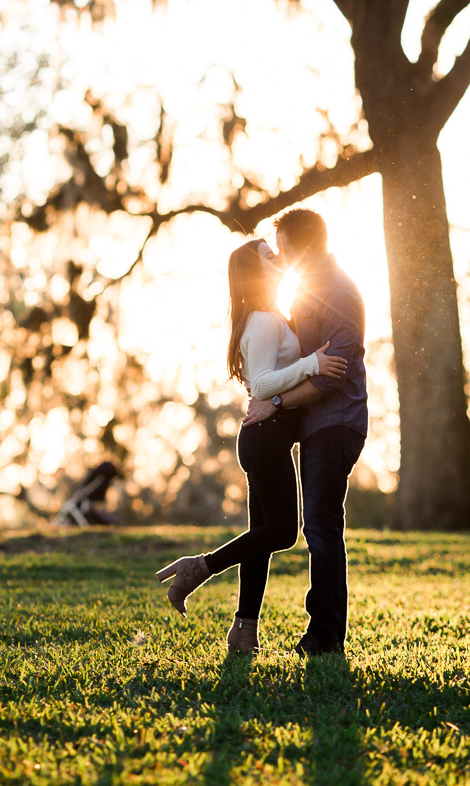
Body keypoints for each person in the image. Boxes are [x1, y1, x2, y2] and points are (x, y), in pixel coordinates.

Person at [155, 237, 347, 653]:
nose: (280, 258)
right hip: (264, 440)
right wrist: (313, 363)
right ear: (256, 272)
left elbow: (266, 381)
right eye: (269, 256)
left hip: (267, 438)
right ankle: (198, 568)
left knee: (262, 536)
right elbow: (261, 383)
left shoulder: (269, 316)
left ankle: (244, 630)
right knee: (282, 532)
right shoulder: (262, 319)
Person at [243, 208, 367, 657]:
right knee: (318, 526)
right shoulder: (306, 290)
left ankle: (325, 635)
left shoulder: (339, 292)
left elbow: (330, 376)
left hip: (337, 424)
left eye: (284, 250)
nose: (279, 257)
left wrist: (273, 402)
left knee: (320, 526)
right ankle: (324, 632)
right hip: (315, 427)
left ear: (306, 249)